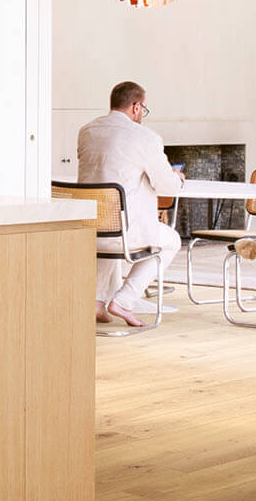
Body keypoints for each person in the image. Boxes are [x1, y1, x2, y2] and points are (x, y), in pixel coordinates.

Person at [77, 82, 183, 328]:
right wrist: (177, 178)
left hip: (89, 228)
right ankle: (124, 301)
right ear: (136, 106)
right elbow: (168, 186)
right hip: (125, 233)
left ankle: (95, 303)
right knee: (171, 241)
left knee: (108, 222)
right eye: (143, 108)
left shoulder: (87, 131)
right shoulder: (146, 137)